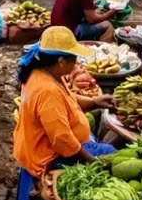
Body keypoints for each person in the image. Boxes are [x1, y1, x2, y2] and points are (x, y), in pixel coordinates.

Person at [12, 27, 115, 178]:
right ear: (61, 61)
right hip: (48, 157)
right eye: (74, 59)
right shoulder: (48, 91)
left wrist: (95, 102)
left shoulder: (43, 73)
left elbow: (69, 99)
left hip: (38, 145)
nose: (77, 62)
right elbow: (61, 139)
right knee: (111, 154)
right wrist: (91, 160)